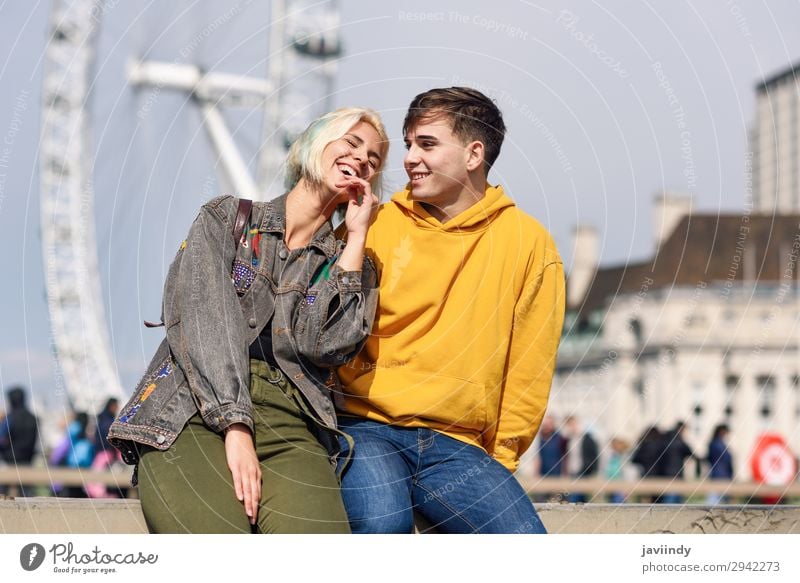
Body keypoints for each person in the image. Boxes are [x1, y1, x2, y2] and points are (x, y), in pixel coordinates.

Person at [108, 107, 388, 533]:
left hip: (292, 419)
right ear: (315, 144)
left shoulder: (352, 267)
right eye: (352, 142)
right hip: (192, 408)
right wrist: (235, 426)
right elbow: (207, 324)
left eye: (373, 159)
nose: (363, 159)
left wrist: (357, 238)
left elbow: (326, 346)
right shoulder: (226, 220)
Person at [336, 87, 566, 533]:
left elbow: (529, 368)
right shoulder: (374, 225)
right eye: (407, 144)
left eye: (426, 143)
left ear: (473, 153)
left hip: (458, 448)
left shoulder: (530, 245)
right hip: (367, 429)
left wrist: (499, 462)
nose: (408, 158)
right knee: (383, 528)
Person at [0, 386, 39, 496]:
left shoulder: (10, 418)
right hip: (27, 461)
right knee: (27, 495)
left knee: (3, 494)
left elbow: (1, 437)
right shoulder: (33, 418)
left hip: (9, 462)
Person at [563, 415, 599, 503]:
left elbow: (593, 456)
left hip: (583, 472)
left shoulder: (587, 438)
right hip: (572, 472)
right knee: (580, 498)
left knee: (575, 497)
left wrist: (591, 470)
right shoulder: (570, 440)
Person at [660, 421, 696, 504]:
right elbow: (689, 452)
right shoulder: (679, 441)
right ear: (681, 429)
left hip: (666, 472)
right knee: (672, 499)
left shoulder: (666, 438)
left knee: (670, 498)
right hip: (675, 473)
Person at [706, 423, 733, 505]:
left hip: (718, 475)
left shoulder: (716, 443)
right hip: (720, 476)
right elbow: (726, 460)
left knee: (717, 502)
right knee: (715, 502)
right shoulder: (718, 444)